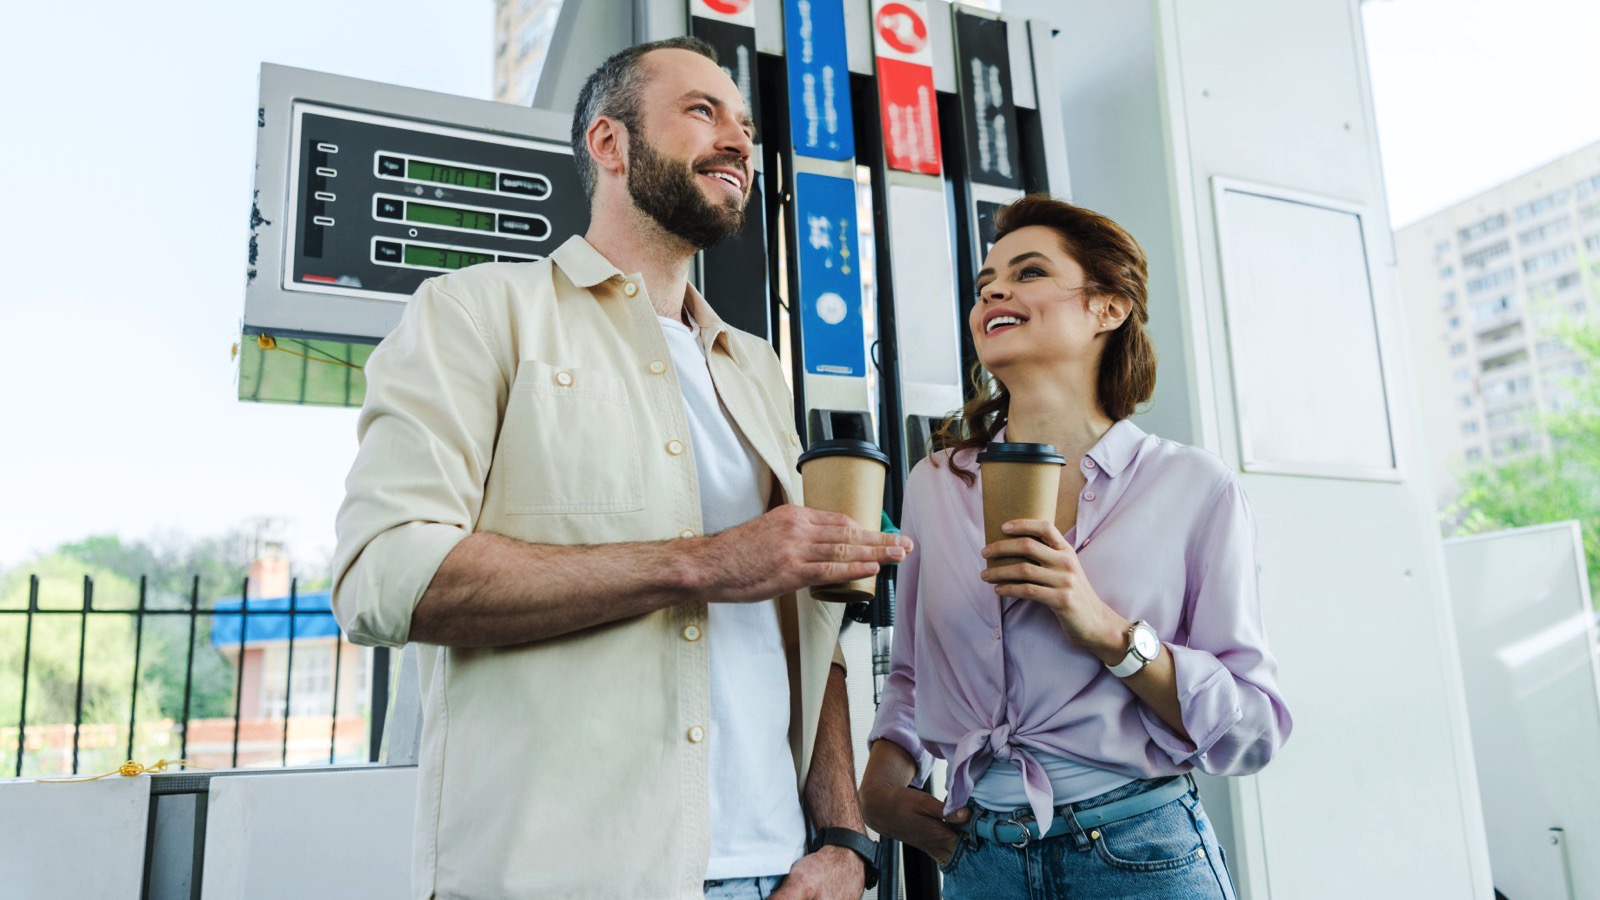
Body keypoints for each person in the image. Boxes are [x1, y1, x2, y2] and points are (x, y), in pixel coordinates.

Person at [332, 37, 908, 900]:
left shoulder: (756, 368)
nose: (739, 142)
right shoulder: (478, 312)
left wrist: (842, 837)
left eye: (744, 125)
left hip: (783, 873)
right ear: (610, 144)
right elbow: (383, 579)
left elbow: (808, 627)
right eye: (702, 112)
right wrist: (703, 562)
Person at [858, 195, 1292, 898]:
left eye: (1028, 273)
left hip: (1141, 854)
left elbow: (1256, 728)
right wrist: (878, 792)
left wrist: (1111, 633)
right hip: (981, 856)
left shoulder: (1193, 486)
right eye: (985, 283)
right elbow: (910, 677)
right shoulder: (935, 483)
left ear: (1109, 307)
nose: (994, 290)